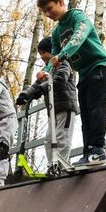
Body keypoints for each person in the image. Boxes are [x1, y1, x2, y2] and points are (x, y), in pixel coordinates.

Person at [36, 0, 106, 165]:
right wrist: (46, 70)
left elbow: (78, 38)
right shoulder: (56, 33)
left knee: (96, 108)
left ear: (60, 2)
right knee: (85, 112)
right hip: (84, 72)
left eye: (49, 8)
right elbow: (54, 58)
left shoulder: (78, 17)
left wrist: (61, 56)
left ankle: (98, 150)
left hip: (100, 65)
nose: (48, 14)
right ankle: (88, 152)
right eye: (45, 12)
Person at [17, 36, 78, 167]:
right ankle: (52, 165)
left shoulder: (62, 62)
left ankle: (61, 166)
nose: (42, 56)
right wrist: (25, 95)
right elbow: (35, 86)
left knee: (62, 138)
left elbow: (60, 80)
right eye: (40, 54)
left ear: (51, 50)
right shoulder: (47, 68)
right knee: (49, 140)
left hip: (65, 106)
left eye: (43, 53)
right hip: (52, 109)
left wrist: (41, 88)